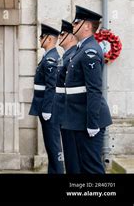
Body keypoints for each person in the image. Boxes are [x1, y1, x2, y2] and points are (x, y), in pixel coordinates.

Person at [63, 6, 112, 173]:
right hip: (78, 118)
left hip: (88, 120)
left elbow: (94, 90)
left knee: (92, 168)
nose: (73, 25)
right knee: (82, 167)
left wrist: (92, 123)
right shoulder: (81, 49)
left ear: (86, 26)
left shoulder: (90, 51)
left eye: (76, 22)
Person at [29, 23, 64, 174]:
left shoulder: (51, 59)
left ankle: (57, 171)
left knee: (53, 144)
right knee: (50, 145)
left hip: (48, 107)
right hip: (45, 105)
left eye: (41, 37)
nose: (39, 39)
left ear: (49, 39)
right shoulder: (48, 57)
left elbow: (51, 86)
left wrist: (47, 108)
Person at [53, 19, 80, 173]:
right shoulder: (66, 56)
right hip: (64, 113)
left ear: (70, 37)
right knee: (70, 160)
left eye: (62, 34)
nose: (59, 36)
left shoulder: (72, 56)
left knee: (74, 161)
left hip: (69, 113)